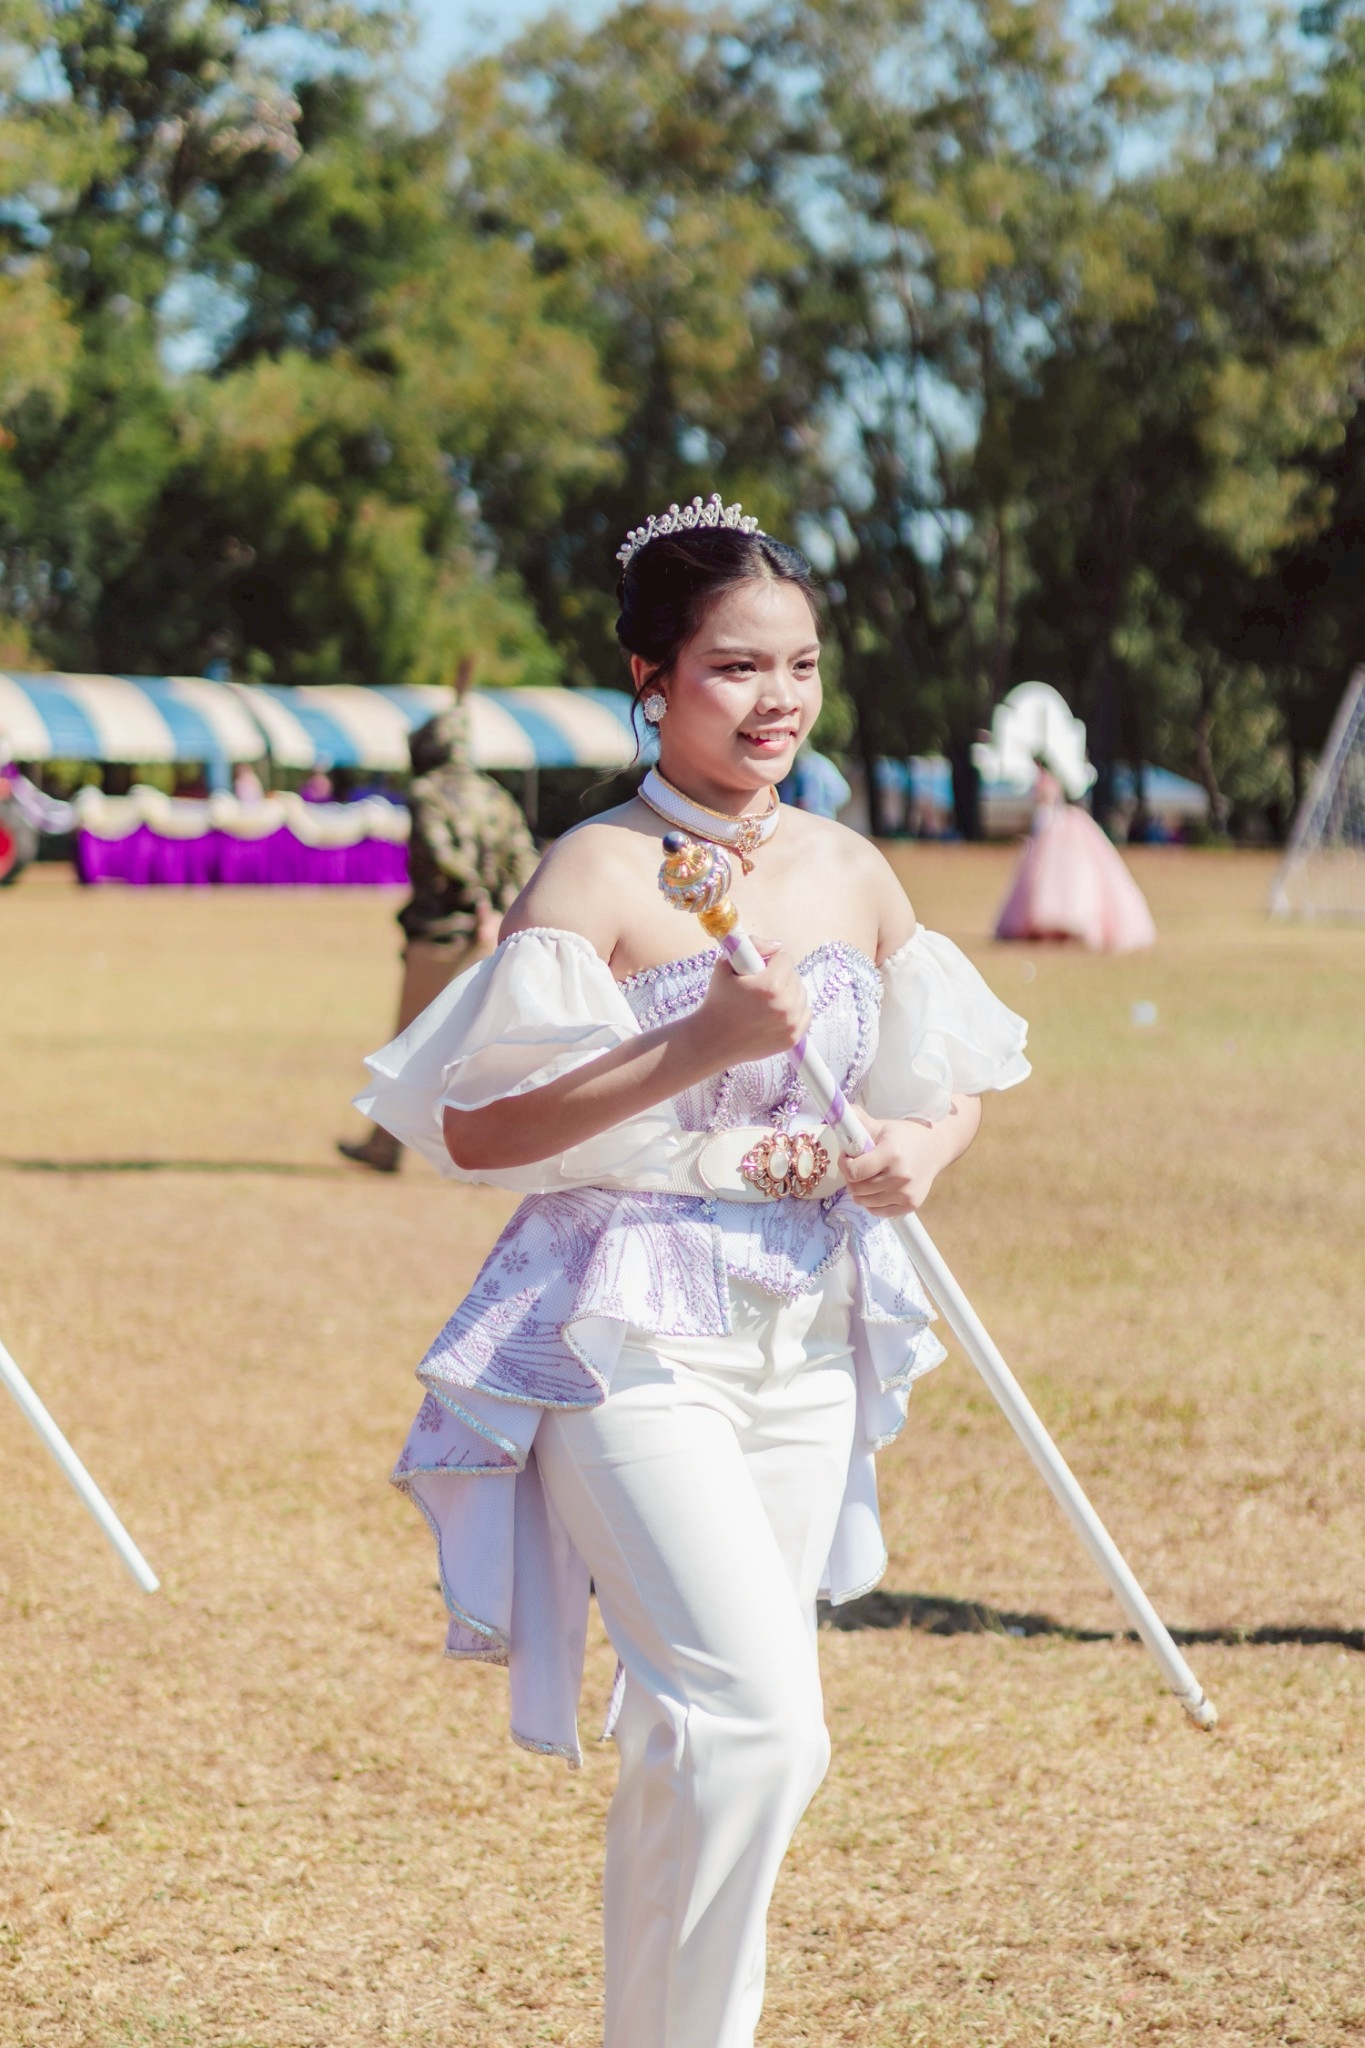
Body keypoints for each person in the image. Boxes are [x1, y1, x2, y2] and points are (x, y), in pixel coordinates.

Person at [356, 493, 1031, 2047]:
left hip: (807, 1333)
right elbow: (478, 1129)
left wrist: (922, 1150)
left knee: (696, 1738)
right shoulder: (592, 875)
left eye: (799, 664)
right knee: (761, 1726)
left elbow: (947, 1083)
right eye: (735, 666)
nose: (776, 698)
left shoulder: (852, 869)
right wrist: (694, 1045)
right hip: (626, 1338)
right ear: (651, 680)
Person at [339, 685, 539, 1173]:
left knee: (412, 1046)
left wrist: (477, 902)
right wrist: (504, 910)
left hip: (444, 933)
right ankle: (499, 1151)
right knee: (481, 1049)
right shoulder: (494, 794)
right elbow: (523, 857)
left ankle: (386, 1147)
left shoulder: (427, 793)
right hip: (494, 936)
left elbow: (441, 854)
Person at [994, 760, 1157, 952]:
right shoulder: (1061, 780)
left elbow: (1046, 806)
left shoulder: (1053, 782)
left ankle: (1061, 923)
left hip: (1058, 827)